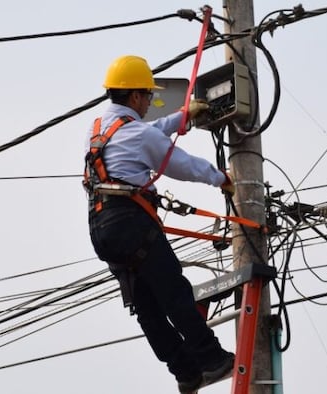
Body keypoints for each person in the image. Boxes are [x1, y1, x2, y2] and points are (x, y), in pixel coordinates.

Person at [84, 55, 235, 394]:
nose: (150, 102)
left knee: (147, 308)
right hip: (131, 223)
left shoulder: (98, 129)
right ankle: (212, 360)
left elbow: (144, 134)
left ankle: (186, 372)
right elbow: (180, 164)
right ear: (135, 96)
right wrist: (221, 179)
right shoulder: (136, 134)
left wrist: (182, 118)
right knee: (174, 294)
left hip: (102, 229)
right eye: (148, 96)